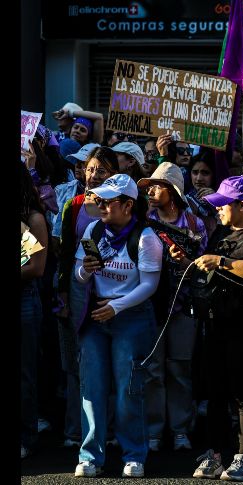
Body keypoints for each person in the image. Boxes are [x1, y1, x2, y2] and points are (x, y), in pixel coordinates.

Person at [180, 176, 243, 481]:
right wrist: (188, 261)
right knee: (216, 393)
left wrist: (220, 260)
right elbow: (207, 267)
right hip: (216, 322)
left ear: (242, 205)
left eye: (224, 204)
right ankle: (215, 454)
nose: (218, 209)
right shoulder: (221, 231)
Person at [73, 174, 162, 478]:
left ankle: (134, 454)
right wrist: (85, 271)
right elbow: (78, 273)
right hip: (97, 314)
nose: (101, 207)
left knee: (128, 388)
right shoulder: (93, 229)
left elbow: (150, 285)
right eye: (99, 201)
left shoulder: (146, 237)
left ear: (128, 205)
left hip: (131, 317)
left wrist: (117, 307)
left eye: (108, 202)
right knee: (92, 386)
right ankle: (90, 456)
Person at [138, 162, 208, 453]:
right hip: (152, 305)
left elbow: (205, 268)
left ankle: (180, 429)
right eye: (150, 187)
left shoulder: (194, 224)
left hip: (183, 306)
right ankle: (153, 430)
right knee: (153, 370)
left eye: (158, 187)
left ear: (173, 192)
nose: (152, 192)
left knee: (180, 367)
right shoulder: (142, 220)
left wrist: (184, 262)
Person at [56, 146, 121, 450]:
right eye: (91, 169)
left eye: (102, 171)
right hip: (78, 286)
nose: (94, 175)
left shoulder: (121, 206)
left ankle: (109, 431)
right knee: (77, 360)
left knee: (108, 358)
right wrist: (64, 295)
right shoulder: (74, 205)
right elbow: (65, 252)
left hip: (112, 288)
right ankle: (73, 429)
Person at [21, 169, 49, 459]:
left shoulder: (33, 219)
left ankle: (26, 437)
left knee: (24, 374)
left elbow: (36, 266)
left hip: (25, 302)